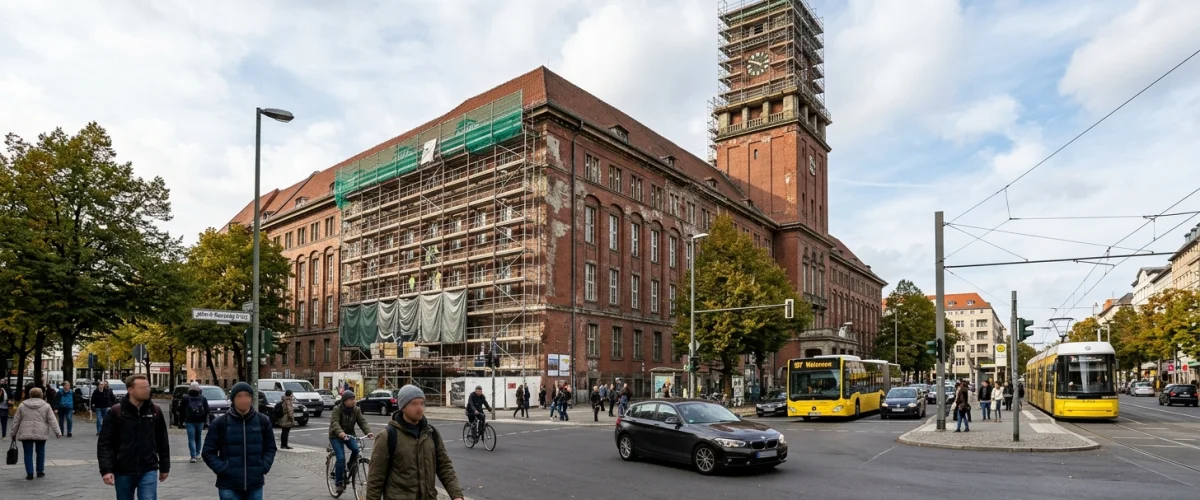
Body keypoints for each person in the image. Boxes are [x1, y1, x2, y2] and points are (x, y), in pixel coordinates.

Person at [365, 385, 464, 500]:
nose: (420, 408)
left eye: (422, 403)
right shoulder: (388, 436)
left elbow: (445, 467)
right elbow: (376, 479)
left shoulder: (431, 433)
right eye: (414, 404)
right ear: (403, 407)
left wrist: (456, 495)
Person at [98, 374, 170, 500]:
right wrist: (106, 470)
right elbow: (104, 443)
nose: (147, 390)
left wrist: (165, 466)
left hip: (148, 468)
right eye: (142, 388)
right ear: (130, 390)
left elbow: (162, 440)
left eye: (147, 387)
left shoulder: (154, 411)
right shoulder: (116, 412)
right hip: (122, 470)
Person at [201, 381, 276, 500]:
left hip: (254, 484)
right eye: (239, 396)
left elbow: (270, 448)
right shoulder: (220, 423)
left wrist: (263, 466)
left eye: (247, 396)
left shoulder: (263, 421)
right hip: (228, 485)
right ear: (233, 399)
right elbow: (208, 452)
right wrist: (222, 468)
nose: (243, 399)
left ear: (251, 399)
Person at [10, 387, 60, 480]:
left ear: (30, 395)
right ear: (41, 395)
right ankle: (40, 471)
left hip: (26, 433)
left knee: (27, 453)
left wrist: (13, 433)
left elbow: (16, 421)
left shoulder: (22, 405)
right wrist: (57, 432)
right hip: (41, 432)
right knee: (40, 452)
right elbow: (52, 420)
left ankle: (30, 473)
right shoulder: (46, 406)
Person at [328, 391, 372, 493]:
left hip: (349, 434)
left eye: (354, 399)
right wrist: (340, 433)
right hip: (336, 436)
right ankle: (338, 483)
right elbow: (334, 423)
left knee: (356, 450)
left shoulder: (356, 410)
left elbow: (362, 421)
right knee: (340, 458)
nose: (353, 401)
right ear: (345, 401)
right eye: (351, 399)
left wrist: (368, 431)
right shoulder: (337, 409)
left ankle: (349, 466)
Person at [182, 382, 210, 463]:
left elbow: (181, 409)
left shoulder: (186, 398)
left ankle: (193, 456)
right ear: (199, 389)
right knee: (198, 437)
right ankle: (198, 453)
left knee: (191, 438)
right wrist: (205, 421)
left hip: (189, 421)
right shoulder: (203, 398)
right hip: (200, 421)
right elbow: (207, 411)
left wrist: (182, 420)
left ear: (189, 389)